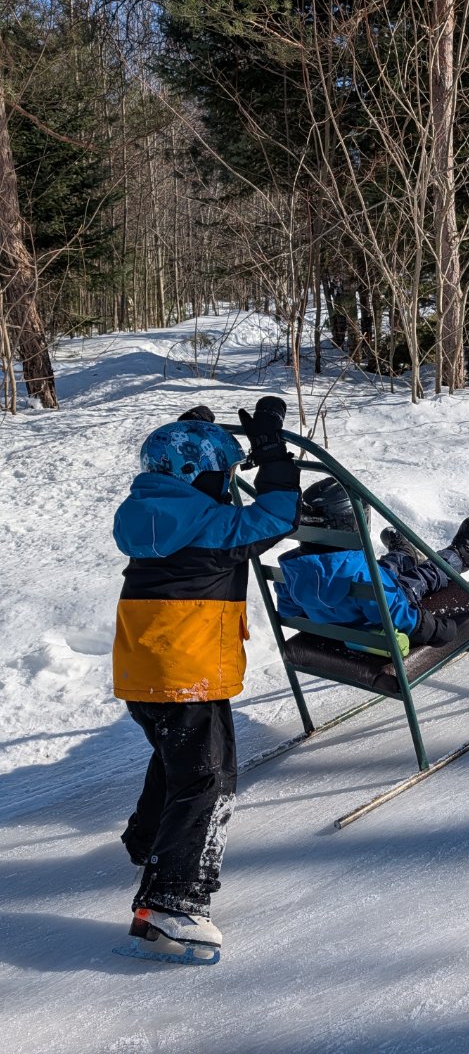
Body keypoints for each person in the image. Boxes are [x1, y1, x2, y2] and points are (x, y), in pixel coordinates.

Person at [112, 398, 301, 958]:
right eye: (222, 475)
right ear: (203, 477)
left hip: (141, 670)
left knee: (175, 760)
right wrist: (271, 452)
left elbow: (191, 482)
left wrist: (192, 431)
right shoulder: (214, 526)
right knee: (208, 782)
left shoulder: (143, 518)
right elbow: (278, 513)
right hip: (189, 674)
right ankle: (173, 901)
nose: (226, 485)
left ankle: (147, 841)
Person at [275, 476, 469, 650]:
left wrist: (325, 619)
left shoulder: (292, 568)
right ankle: (458, 557)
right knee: (422, 576)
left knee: (381, 571)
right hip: (373, 624)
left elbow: (289, 612)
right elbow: (400, 617)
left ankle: (404, 554)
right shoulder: (362, 575)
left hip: (349, 601)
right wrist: (439, 630)